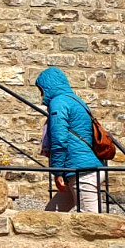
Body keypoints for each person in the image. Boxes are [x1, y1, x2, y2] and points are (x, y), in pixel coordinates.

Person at [34, 67, 104, 213]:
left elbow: (59, 139)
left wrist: (57, 171)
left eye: (41, 89)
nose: (40, 95)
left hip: (82, 171)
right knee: (51, 215)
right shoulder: (76, 101)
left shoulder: (58, 103)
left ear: (47, 87)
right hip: (83, 167)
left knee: (91, 222)